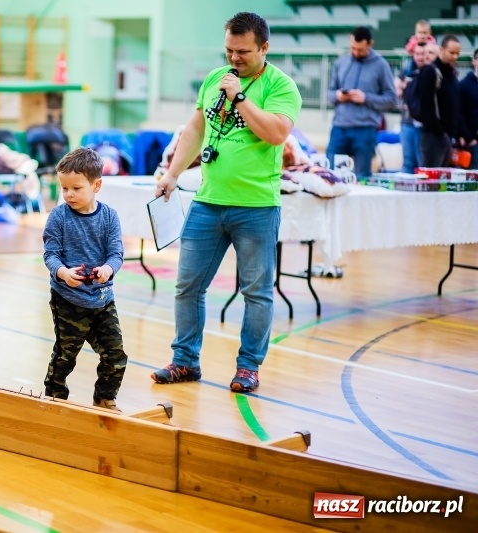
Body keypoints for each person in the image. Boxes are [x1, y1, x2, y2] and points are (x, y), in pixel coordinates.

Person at [150, 12, 301, 392]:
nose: (234, 59)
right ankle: (185, 361)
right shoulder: (215, 79)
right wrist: (171, 174)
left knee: (257, 292)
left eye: (243, 52)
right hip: (208, 201)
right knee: (187, 286)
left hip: (256, 207)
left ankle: (248, 367)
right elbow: (196, 129)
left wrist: (241, 97)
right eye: (229, 50)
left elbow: (274, 133)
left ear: (264, 48)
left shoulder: (281, 86)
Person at [42, 147, 127, 411]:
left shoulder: (110, 217)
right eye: (64, 188)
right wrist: (63, 273)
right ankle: (54, 397)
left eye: (76, 188)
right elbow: (51, 254)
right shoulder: (58, 216)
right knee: (66, 355)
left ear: (96, 185)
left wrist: (108, 270)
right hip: (68, 300)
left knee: (115, 355)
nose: (68, 194)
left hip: (102, 300)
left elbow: (116, 254)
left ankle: (104, 398)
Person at [326, 26, 397, 179]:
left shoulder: (381, 65)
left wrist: (366, 98)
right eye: (353, 48)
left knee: (362, 177)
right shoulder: (341, 62)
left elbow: (392, 99)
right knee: (331, 175)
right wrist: (338, 95)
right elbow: (329, 94)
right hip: (339, 128)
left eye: (360, 49)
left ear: (370, 44)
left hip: (365, 130)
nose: (356, 52)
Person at [417, 35, 461, 168]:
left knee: (443, 183)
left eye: (457, 53)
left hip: (447, 137)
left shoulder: (451, 74)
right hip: (433, 137)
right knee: (431, 181)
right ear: (441, 50)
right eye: (452, 52)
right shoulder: (431, 72)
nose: (455, 57)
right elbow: (426, 106)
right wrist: (440, 131)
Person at [395, 42, 432, 173]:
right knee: (408, 163)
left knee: (422, 164)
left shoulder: (430, 72)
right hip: (407, 123)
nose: (420, 57)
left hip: (424, 125)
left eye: (423, 54)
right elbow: (396, 89)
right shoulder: (407, 71)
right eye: (417, 54)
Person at [459, 48, 478, 170]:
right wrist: (468, 138)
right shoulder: (464, 85)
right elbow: (459, 113)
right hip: (472, 142)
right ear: (474, 61)